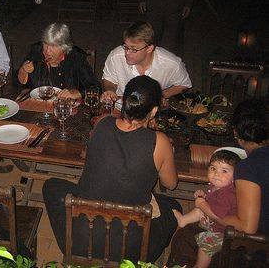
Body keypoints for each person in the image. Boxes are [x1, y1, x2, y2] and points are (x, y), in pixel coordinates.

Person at [43, 75, 181, 262]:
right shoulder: (160, 141)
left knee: (51, 186)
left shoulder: (102, 123)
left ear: (123, 102)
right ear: (154, 111)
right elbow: (170, 184)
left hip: (81, 242)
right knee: (173, 206)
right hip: (130, 251)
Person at [169, 99, 268, 266]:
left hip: (255, 249)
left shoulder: (249, 168)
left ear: (236, 132)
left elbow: (247, 227)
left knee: (184, 238)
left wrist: (205, 208)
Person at [173, 150, 241, 268]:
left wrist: (201, 203)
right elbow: (211, 202)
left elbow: (216, 214)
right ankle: (184, 220)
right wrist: (203, 196)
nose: (216, 174)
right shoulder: (217, 186)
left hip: (221, 231)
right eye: (213, 169)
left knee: (206, 244)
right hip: (210, 222)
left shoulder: (228, 194)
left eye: (224, 171)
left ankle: (200, 265)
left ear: (235, 177)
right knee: (200, 210)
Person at [101, 21, 191, 103]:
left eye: (134, 49)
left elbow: (184, 85)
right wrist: (110, 91)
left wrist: (159, 96)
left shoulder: (172, 63)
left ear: (149, 48)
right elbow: (109, 79)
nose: (127, 53)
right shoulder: (116, 56)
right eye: (126, 47)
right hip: (122, 105)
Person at [17, 23, 100, 99]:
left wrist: (76, 93)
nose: (47, 51)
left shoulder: (77, 57)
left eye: (53, 46)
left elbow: (96, 88)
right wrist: (23, 70)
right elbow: (18, 85)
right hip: (38, 106)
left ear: (64, 48)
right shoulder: (36, 51)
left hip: (66, 107)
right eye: (45, 44)